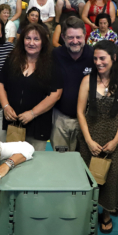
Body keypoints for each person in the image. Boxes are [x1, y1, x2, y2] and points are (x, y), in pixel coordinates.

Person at [78, 41, 118, 233]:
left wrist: (116, 140)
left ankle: (106, 213)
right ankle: (87, 212)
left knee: (111, 178)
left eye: (102, 58)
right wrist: (88, 140)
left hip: (114, 137)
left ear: (114, 58)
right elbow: (80, 112)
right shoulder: (87, 80)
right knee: (87, 177)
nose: (98, 62)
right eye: (95, 58)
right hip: (90, 137)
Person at [0, 23, 62, 150]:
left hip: (38, 125)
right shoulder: (12, 59)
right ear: (22, 40)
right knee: (10, 158)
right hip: (12, 122)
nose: (31, 43)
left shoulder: (52, 64)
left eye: (36, 39)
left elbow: (56, 94)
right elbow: (0, 83)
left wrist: (32, 113)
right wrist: (6, 106)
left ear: (43, 42)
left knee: (35, 160)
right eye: (28, 38)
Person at [51, 17, 94, 151]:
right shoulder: (55, 55)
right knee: (60, 158)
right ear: (63, 37)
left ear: (85, 35)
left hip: (87, 120)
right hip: (60, 118)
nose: (75, 41)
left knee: (81, 160)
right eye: (70, 37)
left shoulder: (94, 56)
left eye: (78, 37)